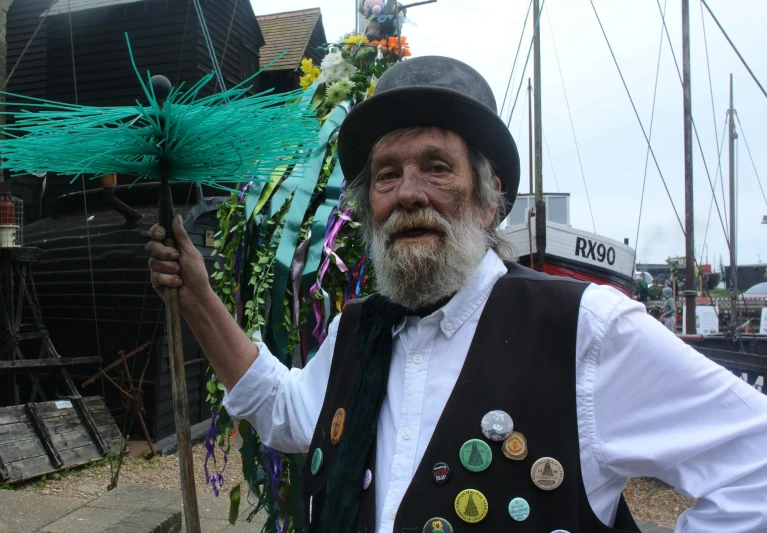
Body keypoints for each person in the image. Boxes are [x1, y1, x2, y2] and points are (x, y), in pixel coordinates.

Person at [147, 56, 767, 533]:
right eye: (387, 175)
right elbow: (285, 411)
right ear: (367, 209)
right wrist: (198, 295)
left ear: (489, 195)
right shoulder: (357, 332)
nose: (409, 192)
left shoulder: (586, 330)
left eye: (437, 167)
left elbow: (755, 461)